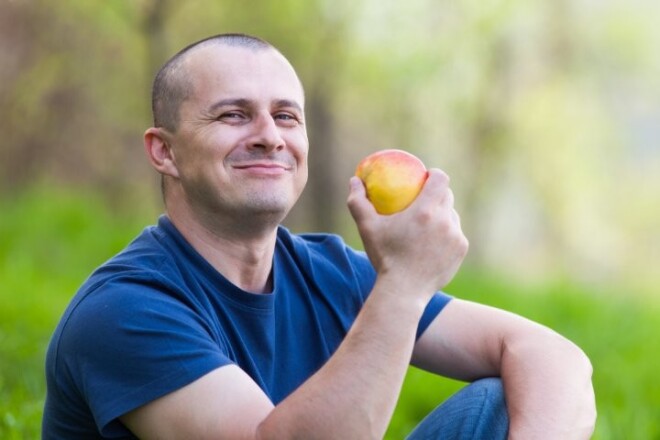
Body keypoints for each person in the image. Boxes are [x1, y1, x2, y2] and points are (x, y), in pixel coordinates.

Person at [42, 33, 596, 439]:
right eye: (234, 115)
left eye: (286, 116)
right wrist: (402, 284)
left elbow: (552, 356)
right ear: (165, 151)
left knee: (508, 400)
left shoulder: (325, 269)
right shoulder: (123, 309)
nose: (269, 138)